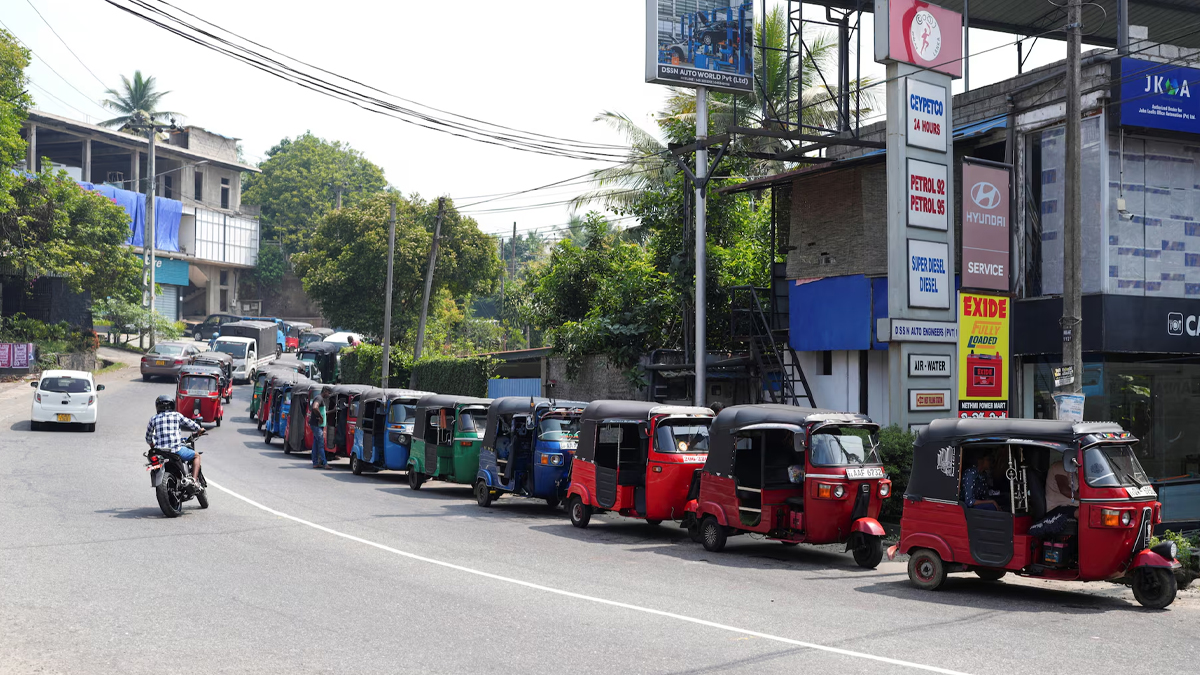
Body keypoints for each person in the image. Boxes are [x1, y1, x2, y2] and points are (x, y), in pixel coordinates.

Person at [145, 394, 204, 486]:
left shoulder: (153, 419)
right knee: (196, 456)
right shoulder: (176, 415)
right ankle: (194, 481)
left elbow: (148, 438)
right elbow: (190, 423)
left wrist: (152, 445)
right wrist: (199, 429)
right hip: (176, 450)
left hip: (159, 452)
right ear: (172, 405)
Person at [310, 391, 328, 469]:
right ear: (325, 392)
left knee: (315, 444)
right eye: (329, 393)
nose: (329, 395)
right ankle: (325, 463)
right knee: (321, 445)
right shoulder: (319, 398)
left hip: (317, 425)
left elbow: (321, 411)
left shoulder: (319, 398)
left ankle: (315, 463)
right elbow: (315, 407)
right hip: (317, 425)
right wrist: (321, 417)